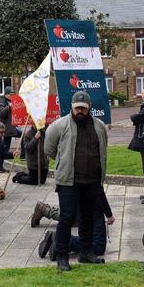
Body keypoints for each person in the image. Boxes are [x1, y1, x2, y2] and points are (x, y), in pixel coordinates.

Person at [44, 91, 108, 271]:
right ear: (72, 107)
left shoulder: (99, 126)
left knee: (88, 218)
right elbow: (49, 150)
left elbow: (103, 150)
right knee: (67, 218)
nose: (80, 111)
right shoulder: (58, 126)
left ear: (89, 108)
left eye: (83, 108)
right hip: (68, 182)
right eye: (77, 108)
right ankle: (62, 256)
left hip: (93, 181)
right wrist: (63, 163)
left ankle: (86, 252)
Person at [34, 189, 115, 261]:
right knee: (98, 246)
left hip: (78, 200)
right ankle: (61, 240)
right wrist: (108, 213)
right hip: (90, 205)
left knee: (89, 238)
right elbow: (98, 189)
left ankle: (61, 241)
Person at [0, 87, 21, 169]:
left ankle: (23, 155)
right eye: (10, 94)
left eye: (13, 94)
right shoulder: (1, 102)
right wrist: (9, 107)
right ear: (6, 94)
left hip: (10, 128)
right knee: (3, 149)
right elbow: (0, 113)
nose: (12, 96)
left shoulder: (11, 101)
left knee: (23, 135)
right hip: (3, 130)